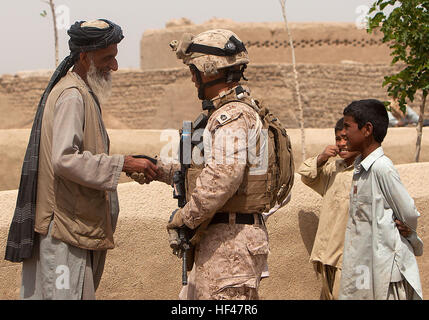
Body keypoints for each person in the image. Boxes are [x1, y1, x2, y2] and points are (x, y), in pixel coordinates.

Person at [132, 29, 294, 300]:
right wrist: (158, 168)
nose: (193, 79)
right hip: (224, 243)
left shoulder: (231, 116)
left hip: (230, 249)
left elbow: (221, 178)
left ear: (208, 71)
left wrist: (184, 219)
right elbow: (210, 172)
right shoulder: (233, 112)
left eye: (193, 71)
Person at [4, 19, 159, 300]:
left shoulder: (82, 92)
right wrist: (121, 163)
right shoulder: (72, 96)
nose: (115, 66)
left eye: (115, 57)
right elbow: (64, 159)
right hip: (63, 234)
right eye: (107, 58)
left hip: (74, 230)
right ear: (85, 57)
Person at [298, 117, 411, 300]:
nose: (342, 144)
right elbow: (306, 175)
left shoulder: (370, 172)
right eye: (338, 139)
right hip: (328, 255)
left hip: (354, 258)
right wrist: (322, 157)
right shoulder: (333, 170)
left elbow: (396, 207)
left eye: (346, 138)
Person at [339, 99, 423, 300]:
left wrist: (408, 230)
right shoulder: (361, 168)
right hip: (364, 266)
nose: (343, 133)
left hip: (385, 271)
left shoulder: (382, 168)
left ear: (367, 129)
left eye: (347, 127)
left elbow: (408, 212)